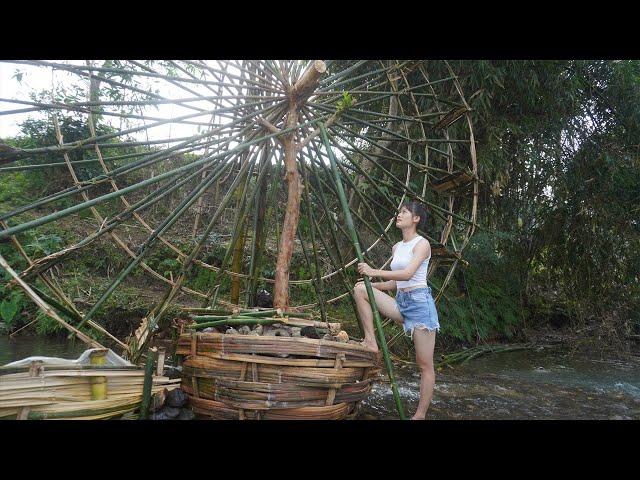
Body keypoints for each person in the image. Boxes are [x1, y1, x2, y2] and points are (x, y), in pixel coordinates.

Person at [354, 200, 439, 420]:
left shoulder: (422, 244)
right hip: (401, 302)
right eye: (399, 212)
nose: (398, 215)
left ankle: (419, 416)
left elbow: (409, 274)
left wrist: (374, 271)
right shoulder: (397, 247)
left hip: (420, 306)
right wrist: (371, 285)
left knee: (424, 364)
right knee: (360, 290)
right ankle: (371, 341)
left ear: (416, 219)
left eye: (404, 212)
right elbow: (395, 284)